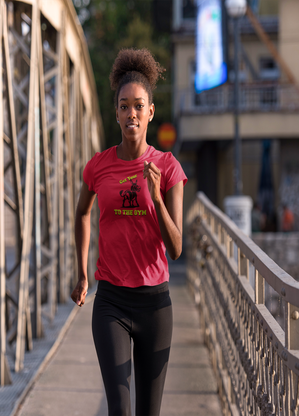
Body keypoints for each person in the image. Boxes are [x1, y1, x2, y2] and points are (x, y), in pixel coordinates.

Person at [71, 48, 187, 416]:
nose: (131, 113)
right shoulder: (98, 166)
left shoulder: (168, 169)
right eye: (124, 106)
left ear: (150, 111)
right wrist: (82, 273)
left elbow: (177, 247)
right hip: (112, 303)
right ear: (116, 112)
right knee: (119, 409)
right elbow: (81, 215)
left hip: (156, 305)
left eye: (138, 106)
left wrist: (155, 198)